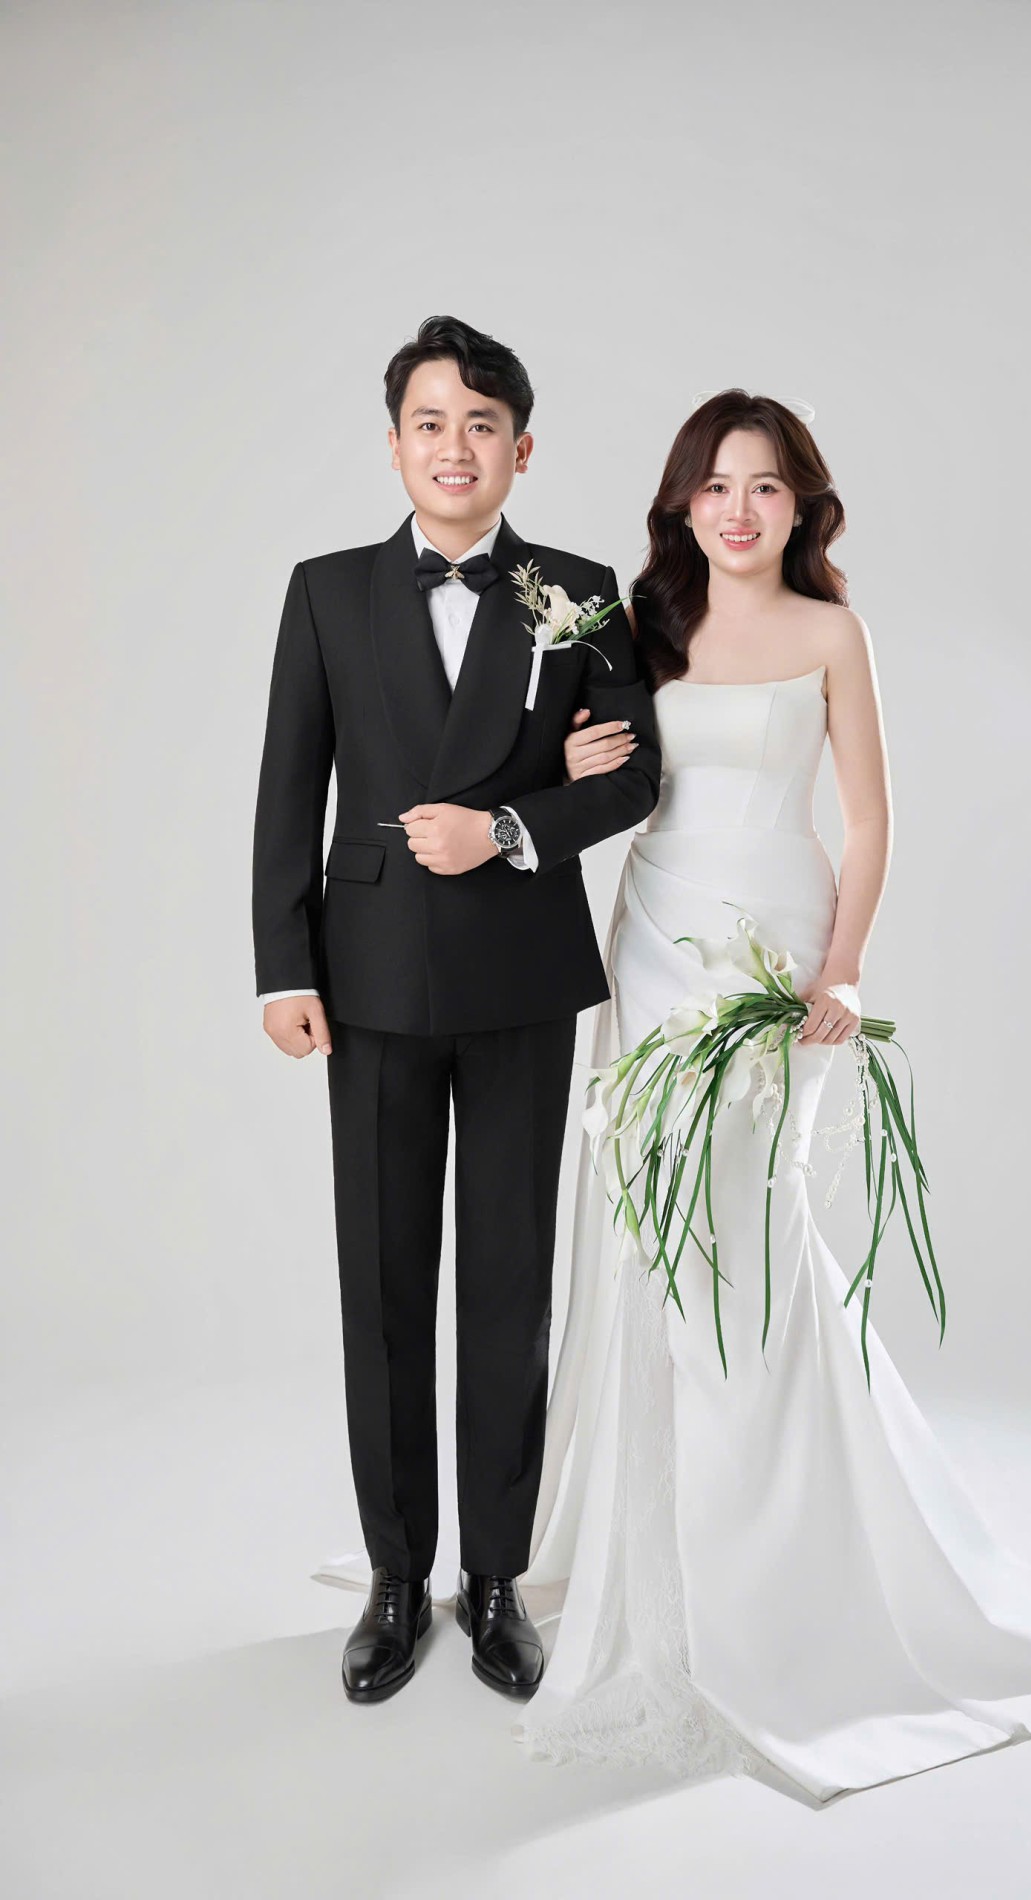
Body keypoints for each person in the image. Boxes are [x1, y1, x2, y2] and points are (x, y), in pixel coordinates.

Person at [515, 390, 1031, 1800]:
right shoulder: (640, 627)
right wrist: (565, 765)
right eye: (713, 486)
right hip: (654, 942)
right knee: (650, 1241)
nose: (737, 510)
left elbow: (868, 816)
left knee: (759, 1242)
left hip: (778, 947)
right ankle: (654, 1572)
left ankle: (797, 1571)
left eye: (764, 487)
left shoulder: (830, 635)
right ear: (681, 504)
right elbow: (598, 786)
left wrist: (844, 966)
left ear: (801, 504)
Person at [251, 315, 661, 1704]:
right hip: (366, 976)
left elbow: (633, 776)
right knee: (380, 1288)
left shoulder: (577, 594)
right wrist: (284, 966)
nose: (455, 447)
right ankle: (394, 1576)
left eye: (482, 425)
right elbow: (288, 785)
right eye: (431, 423)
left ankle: (494, 1580)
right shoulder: (328, 591)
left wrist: (512, 824)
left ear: (521, 450)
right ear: (395, 445)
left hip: (519, 977)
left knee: (505, 1283)